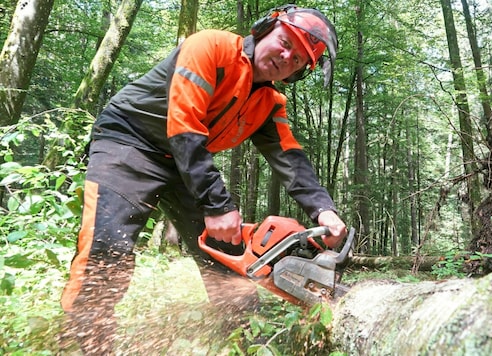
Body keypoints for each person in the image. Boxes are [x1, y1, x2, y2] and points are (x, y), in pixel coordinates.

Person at [60, 4, 347, 354]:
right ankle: (81, 342)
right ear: (266, 29)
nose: (286, 57)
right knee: (107, 245)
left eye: (299, 59)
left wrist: (324, 211)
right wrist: (217, 204)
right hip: (130, 141)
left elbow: (291, 159)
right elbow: (184, 126)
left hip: (185, 160)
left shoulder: (271, 103)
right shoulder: (210, 47)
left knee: (225, 253)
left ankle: (245, 343)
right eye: (285, 42)